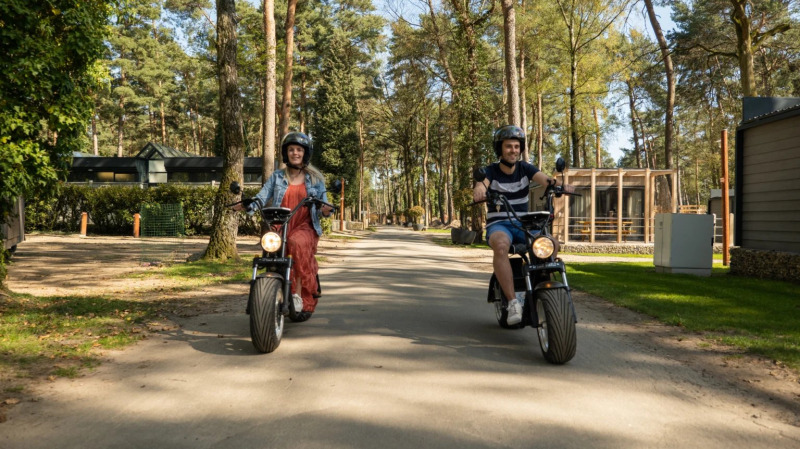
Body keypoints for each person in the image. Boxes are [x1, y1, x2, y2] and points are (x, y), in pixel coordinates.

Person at [472, 125, 574, 325]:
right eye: (509, 146)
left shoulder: (525, 168)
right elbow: (481, 184)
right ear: (500, 149)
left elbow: (545, 180)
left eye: (517, 146)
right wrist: (478, 189)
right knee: (501, 246)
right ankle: (512, 303)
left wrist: (559, 186)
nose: (513, 150)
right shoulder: (491, 171)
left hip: (524, 224)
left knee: (551, 243)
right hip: (500, 224)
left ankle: (543, 287)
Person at [235, 131, 333, 322]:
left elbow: (324, 205)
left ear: (305, 153)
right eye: (291, 150)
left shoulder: (316, 179)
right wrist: (249, 205)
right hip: (281, 225)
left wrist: (326, 209)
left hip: (305, 226)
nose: (295, 153)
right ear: (285, 153)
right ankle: (265, 295)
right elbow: (262, 197)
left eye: (298, 149)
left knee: (296, 243)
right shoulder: (277, 177)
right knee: (270, 248)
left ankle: (298, 296)